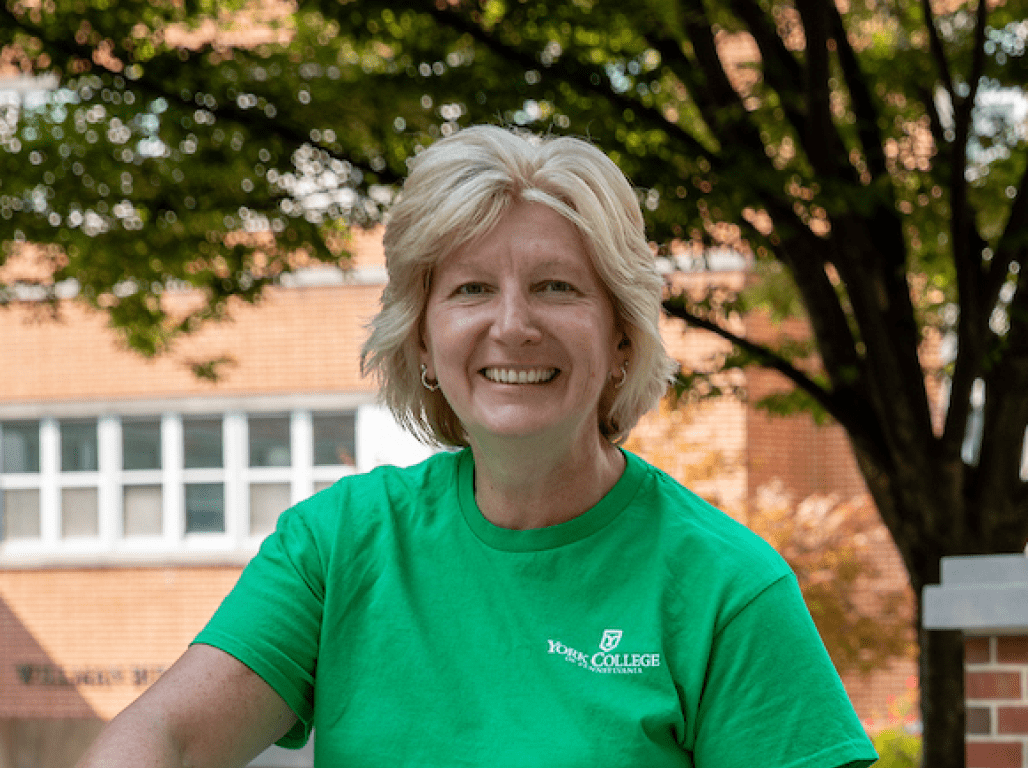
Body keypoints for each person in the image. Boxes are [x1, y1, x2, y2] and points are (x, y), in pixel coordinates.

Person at [77, 125, 878, 768]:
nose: (513, 324)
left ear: (623, 337)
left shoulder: (726, 589)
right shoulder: (341, 546)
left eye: (556, 286)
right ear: (422, 343)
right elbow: (169, 741)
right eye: (470, 289)